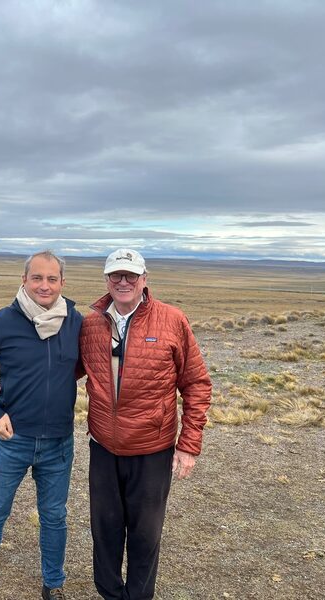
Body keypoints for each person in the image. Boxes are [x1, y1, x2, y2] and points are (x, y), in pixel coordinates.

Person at [79, 248, 212, 600]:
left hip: (152, 449)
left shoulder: (172, 320)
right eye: (116, 275)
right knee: (104, 531)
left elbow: (196, 383)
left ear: (144, 280)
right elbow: (64, 371)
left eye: (131, 276)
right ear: (106, 279)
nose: (123, 282)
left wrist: (188, 444)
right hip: (104, 448)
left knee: (145, 534)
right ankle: (110, 594)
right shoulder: (91, 323)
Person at [0, 250, 83, 600]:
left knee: (54, 517)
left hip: (59, 442)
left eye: (52, 278)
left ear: (62, 283)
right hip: (12, 439)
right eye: (37, 277)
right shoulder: (1, 322)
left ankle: (53, 585)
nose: (44, 285)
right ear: (24, 280)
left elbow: (83, 366)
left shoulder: (75, 322)